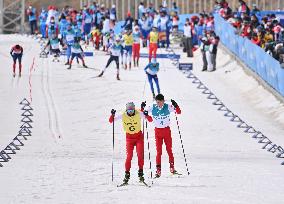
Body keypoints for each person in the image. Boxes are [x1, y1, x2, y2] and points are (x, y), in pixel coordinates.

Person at [109, 102, 153, 185]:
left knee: (140, 155)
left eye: (132, 110)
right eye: (129, 111)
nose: (130, 112)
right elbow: (111, 121)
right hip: (129, 138)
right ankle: (127, 176)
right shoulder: (123, 115)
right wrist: (112, 115)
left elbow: (150, 120)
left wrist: (146, 115)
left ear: (134, 109)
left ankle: (140, 174)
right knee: (129, 156)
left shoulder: (138, 113)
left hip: (139, 137)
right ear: (126, 110)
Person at [142, 94, 181, 178]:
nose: (158, 104)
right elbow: (143, 114)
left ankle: (172, 168)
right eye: (157, 102)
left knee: (169, 150)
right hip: (158, 132)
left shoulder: (168, 106)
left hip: (167, 131)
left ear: (163, 101)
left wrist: (176, 105)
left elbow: (179, 112)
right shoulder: (152, 107)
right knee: (159, 152)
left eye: (160, 102)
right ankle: (158, 170)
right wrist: (143, 109)